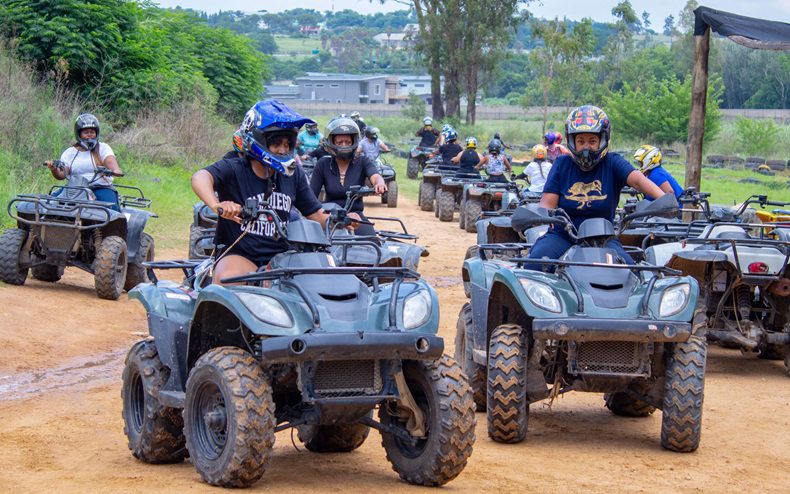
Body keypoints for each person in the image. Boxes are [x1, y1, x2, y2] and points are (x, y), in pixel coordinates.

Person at [191, 99, 331, 284]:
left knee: (321, 282)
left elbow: (315, 213)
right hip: (240, 255)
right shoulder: (234, 168)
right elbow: (200, 177)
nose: (283, 150)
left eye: (287, 144)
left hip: (284, 256)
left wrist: (340, 222)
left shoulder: (293, 174)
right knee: (227, 280)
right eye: (276, 144)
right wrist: (217, 204)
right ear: (259, 139)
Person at [524, 105, 666, 270]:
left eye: (592, 141)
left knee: (632, 273)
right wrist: (541, 216)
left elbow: (639, 181)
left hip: (604, 238)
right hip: (563, 235)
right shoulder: (562, 164)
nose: (586, 147)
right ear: (572, 142)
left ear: (602, 140)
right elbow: (547, 203)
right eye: (581, 141)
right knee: (535, 264)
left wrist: (664, 199)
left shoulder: (613, 162)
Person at [310, 116, 387, 237]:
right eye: (339, 142)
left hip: (355, 216)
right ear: (331, 142)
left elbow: (375, 175)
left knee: (372, 243)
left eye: (348, 142)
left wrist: (379, 183)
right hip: (329, 216)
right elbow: (311, 195)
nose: (344, 145)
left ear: (354, 142)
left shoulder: (362, 161)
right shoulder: (323, 164)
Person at [45, 113, 124, 211]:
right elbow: (62, 174)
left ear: (97, 133)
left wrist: (115, 170)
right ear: (79, 134)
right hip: (75, 189)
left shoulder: (103, 148)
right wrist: (54, 169)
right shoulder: (70, 153)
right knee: (47, 203)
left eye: (92, 132)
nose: (89, 135)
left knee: (112, 208)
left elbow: (110, 162)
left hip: (100, 187)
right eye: (86, 132)